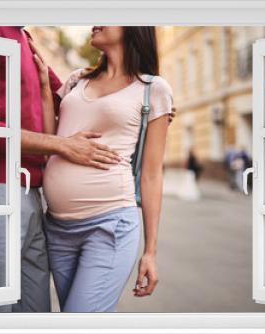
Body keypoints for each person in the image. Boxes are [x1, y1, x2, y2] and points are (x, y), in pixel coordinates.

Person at [0, 26, 122, 313]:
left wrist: (145, 99)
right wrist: (60, 145)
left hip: (31, 193)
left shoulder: (24, 38)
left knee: (34, 313)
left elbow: (69, 98)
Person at [35, 26, 173, 312]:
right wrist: (45, 93)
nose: (96, 22)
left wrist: (150, 252)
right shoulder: (76, 80)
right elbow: (54, 141)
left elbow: (151, 174)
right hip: (58, 228)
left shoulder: (153, 89)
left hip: (109, 226)